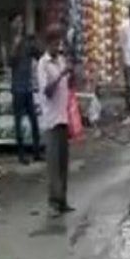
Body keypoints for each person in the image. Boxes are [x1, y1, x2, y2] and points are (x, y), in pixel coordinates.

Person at [38, 30, 75, 217]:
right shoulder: (43, 64)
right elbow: (47, 91)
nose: (57, 47)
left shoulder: (60, 61)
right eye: (54, 43)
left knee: (63, 163)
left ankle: (63, 200)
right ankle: (53, 202)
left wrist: (70, 72)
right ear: (48, 43)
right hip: (51, 120)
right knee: (53, 164)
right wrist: (61, 74)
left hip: (63, 117)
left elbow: (69, 85)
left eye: (59, 43)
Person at [8, 13, 42, 164]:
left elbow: (39, 54)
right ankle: (21, 155)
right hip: (17, 88)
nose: (20, 24)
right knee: (19, 122)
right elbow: (10, 62)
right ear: (12, 25)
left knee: (34, 121)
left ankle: (36, 152)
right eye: (17, 22)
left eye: (21, 21)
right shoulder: (10, 42)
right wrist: (15, 45)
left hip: (28, 87)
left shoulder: (27, 42)